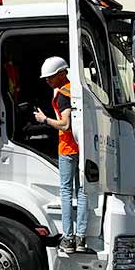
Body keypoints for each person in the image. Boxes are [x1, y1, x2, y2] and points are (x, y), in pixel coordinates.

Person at [33, 57, 88, 253]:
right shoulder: (77, 90)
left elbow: (65, 124)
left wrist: (44, 119)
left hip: (67, 147)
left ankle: (69, 239)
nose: (47, 81)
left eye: (50, 77)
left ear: (62, 73)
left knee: (66, 192)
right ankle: (81, 238)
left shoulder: (63, 95)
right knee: (81, 191)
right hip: (83, 147)